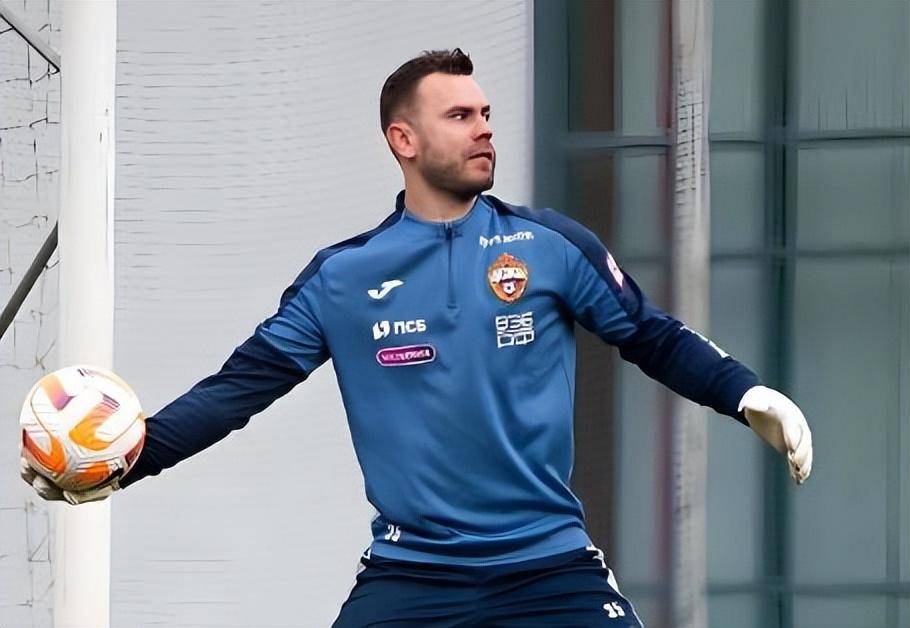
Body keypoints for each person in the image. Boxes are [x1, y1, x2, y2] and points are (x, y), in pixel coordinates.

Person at [21, 48, 812, 627]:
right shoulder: (341, 277)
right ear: (404, 140)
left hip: (549, 566)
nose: (484, 130)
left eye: (486, 115)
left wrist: (746, 393)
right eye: (460, 117)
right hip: (413, 576)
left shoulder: (551, 245)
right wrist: (125, 460)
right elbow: (236, 393)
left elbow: (652, 336)